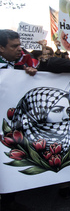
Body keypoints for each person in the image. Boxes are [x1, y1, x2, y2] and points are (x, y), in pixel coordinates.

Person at [0, 29, 36, 211]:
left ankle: (8, 200)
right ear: (1, 48)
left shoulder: (15, 67)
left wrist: (26, 76)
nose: (20, 50)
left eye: (20, 45)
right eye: (14, 46)